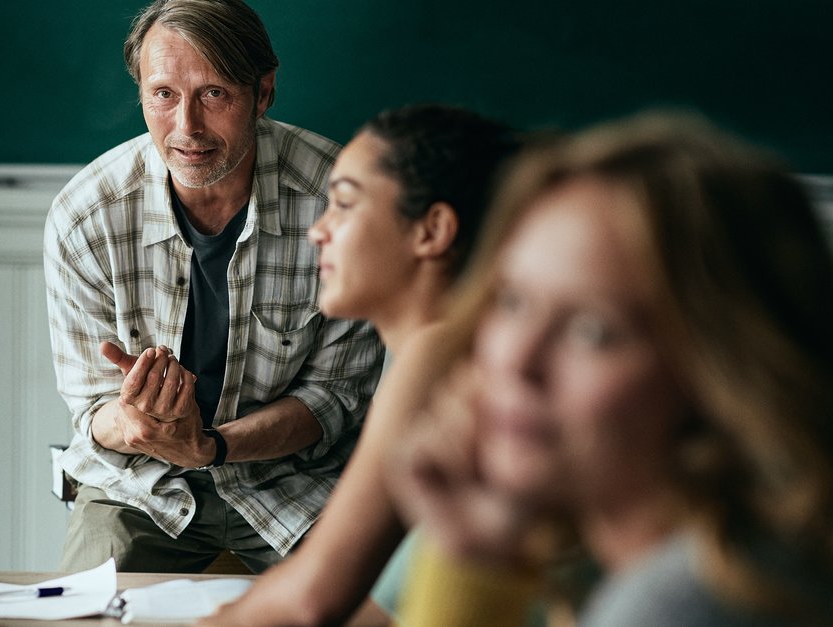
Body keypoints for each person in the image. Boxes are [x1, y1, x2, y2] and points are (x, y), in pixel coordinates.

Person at [391, 112, 833, 625]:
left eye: (594, 332)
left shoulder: (682, 603)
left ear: (725, 370)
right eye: (511, 301)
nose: (516, 360)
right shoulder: (740, 553)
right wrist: (475, 553)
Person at [44, 0, 384, 574]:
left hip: (298, 481)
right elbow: (90, 408)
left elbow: (334, 397)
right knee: (91, 612)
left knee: (366, 604)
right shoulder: (86, 216)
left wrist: (212, 447)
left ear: (264, 91)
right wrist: (135, 423)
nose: (187, 129)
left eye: (215, 94)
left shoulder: (341, 205)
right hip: (139, 486)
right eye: (164, 94)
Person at [200, 103, 519, 625]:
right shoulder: (436, 351)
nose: (318, 232)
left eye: (345, 205)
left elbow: (312, 598)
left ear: (431, 230)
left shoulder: (435, 356)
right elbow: (383, 606)